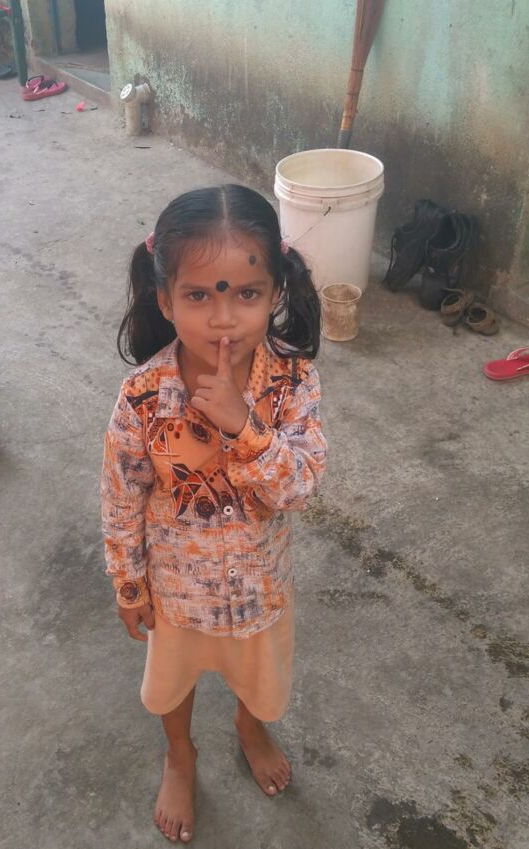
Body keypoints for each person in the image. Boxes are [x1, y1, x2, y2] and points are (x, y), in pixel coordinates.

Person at [101, 184, 327, 843]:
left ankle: (249, 727)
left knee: (259, 681)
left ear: (275, 291)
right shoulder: (143, 396)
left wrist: (243, 426)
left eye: (246, 293)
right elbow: (122, 494)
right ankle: (180, 753)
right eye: (199, 295)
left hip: (259, 587)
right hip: (176, 592)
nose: (223, 318)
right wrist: (128, 581)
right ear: (165, 299)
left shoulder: (293, 383)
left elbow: (300, 484)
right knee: (171, 685)